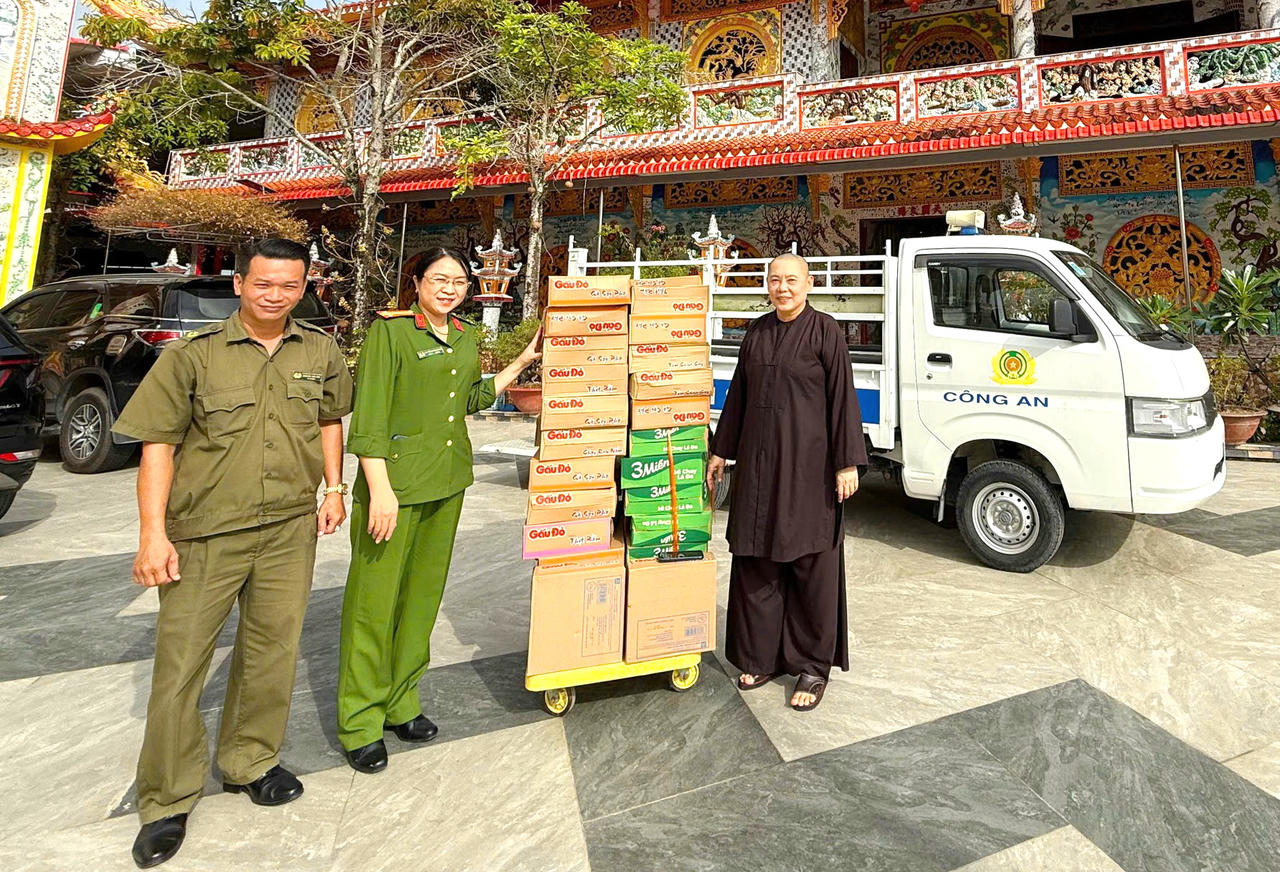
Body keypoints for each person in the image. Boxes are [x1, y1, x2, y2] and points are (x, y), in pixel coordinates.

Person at [115, 238, 354, 868]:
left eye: (289, 285)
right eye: (263, 284)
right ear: (240, 284)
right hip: (205, 533)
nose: (275, 295)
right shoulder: (195, 357)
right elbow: (157, 446)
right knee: (181, 667)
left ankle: (251, 761)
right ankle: (166, 800)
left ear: (305, 286)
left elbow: (330, 421)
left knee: (272, 652)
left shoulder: (320, 350)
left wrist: (334, 487)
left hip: (287, 529)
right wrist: (152, 534)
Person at [337, 247, 540, 774]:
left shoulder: (466, 335)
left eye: (459, 281)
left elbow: (472, 399)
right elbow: (371, 416)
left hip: (447, 482)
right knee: (372, 604)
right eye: (439, 279)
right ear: (418, 282)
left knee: (422, 597)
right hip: (395, 488)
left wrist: (521, 363)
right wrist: (378, 488)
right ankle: (361, 720)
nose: (450, 288)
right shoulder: (391, 332)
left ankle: (402, 701)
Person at [706, 253, 866, 712]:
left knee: (810, 564)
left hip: (810, 470)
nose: (783, 288)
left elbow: (842, 398)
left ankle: (813, 667)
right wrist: (722, 449)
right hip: (758, 468)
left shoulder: (825, 331)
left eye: (792, 280)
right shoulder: (756, 332)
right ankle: (760, 657)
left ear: (809, 284)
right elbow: (738, 395)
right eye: (775, 280)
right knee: (757, 560)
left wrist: (847, 463)